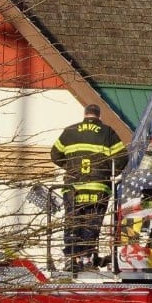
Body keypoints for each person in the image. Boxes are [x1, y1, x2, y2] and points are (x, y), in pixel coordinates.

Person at [51, 103, 128, 271]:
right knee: (92, 224)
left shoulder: (69, 131)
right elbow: (122, 158)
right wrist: (109, 171)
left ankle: (71, 260)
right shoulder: (107, 132)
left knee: (72, 223)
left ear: (85, 115)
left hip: (73, 188)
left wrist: (71, 167)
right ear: (99, 116)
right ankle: (87, 259)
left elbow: (55, 154)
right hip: (98, 188)